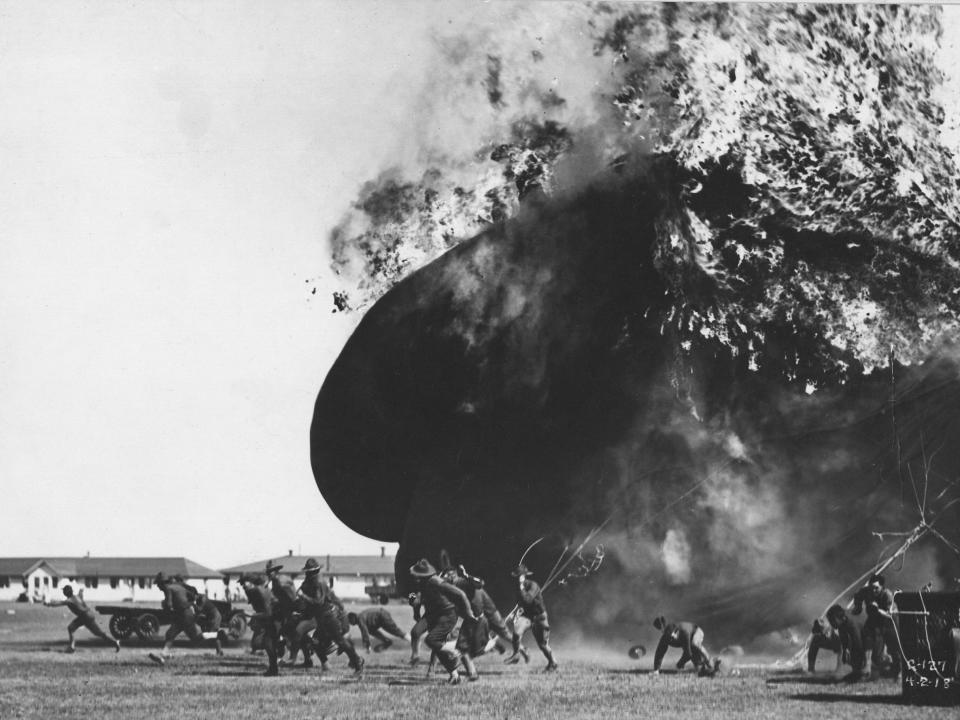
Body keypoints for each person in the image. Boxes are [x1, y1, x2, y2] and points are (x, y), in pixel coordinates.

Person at [409, 558, 478, 684]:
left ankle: (456, 652)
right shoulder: (420, 583)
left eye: (417, 575)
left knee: (432, 641)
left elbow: (461, 594)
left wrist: (469, 612)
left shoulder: (436, 581)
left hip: (447, 614)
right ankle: (415, 657)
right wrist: (415, 609)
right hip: (431, 614)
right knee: (415, 632)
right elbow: (417, 600)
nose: (414, 577)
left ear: (423, 575)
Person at [297, 558, 364, 677]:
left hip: (329, 616)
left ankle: (357, 661)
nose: (308, 574)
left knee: (340, 641)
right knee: (316, 642)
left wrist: (303, 596)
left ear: (315, 571)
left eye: (310, 572)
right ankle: (326, 666)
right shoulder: (309, 582)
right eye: (308, 571)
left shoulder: (319, 582)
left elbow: (318, 601)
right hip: (321, 618)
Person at [149, 573, 216, 665]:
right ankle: (162, 655)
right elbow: (193, 596)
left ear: (163, 583)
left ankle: (216, 635)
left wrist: (165, 605)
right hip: (184, 614)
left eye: (158, 584)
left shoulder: (168, 589)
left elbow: (169, 605)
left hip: (184, 615)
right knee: (170, 634)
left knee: (196, 639)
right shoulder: (177, 587)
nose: (158, 587)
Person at [44, 585, 120, 653]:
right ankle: (115, 642)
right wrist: (81, 590)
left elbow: (59, 603)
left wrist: (48, 604)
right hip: (89, 614)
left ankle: (71, 647)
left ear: (65, 593)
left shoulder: (69, 600)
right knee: (98, 633)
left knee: (71, 628)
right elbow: (80, 594)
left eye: (64, 591)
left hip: (84, 616)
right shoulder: (77, 596)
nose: (63, 592)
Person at [510, 563, 558, 671]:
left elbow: (527, 600)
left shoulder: (533, 585)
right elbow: (521, 604)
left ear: (524, 576)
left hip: (540, 617)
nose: (518, 578)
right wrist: (517, 614)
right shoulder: (518, 588)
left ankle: (553, 662)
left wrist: (521, 587)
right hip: (528, 617)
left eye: (520, 576)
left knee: (542, 645)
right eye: (516, 576)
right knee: (516, 633)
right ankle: (516, 654)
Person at [852, 573, 900, 678]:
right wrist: (858, 607)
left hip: (889, 621)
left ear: (882, 587)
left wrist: (877, 609)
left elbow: (890, 615)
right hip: (874, 620)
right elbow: (858, 596)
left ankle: (897, 669)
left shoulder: (887, 595)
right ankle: (867, 666)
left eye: (876, 588)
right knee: (867, 636)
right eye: (871, 588)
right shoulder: (866, 591)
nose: (873, 591)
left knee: (893, 646)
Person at [240, 572, 281, 676]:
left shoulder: (260, 592)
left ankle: (274, 669)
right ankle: (274, 668)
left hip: (277, 618)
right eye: (242, 584)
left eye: (245, 583)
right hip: (271, 619)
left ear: (252, 583)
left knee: (268, 643)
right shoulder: (253, 591)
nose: (243, 586)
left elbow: (268, 613)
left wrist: (251, 615)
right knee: (265, 643)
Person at [651, 615, 719, 676]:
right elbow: (659, 653)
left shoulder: (684, 633)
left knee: (694, 644)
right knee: (698, 666)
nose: (673, 638)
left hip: (696, 631)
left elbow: (688, 654)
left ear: (677, 631)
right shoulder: (665, 638)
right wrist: (656, 670)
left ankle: (710, 662)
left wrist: (679, 664)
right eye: (670, 638)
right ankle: (704, 665)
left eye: (674, 635)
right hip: (688, 640)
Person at [826, 604, 866, 682]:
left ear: (842, 618)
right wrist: (845, 650)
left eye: (832, 620)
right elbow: (843, 636)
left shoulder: (851, 623)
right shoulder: (842, 620)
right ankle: (857, 671)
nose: (831, 623)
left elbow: (858, 644)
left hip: (873, 633)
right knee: (850, 653)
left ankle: (861, 672)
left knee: (857, 651)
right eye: (830, 621)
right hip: (863, 633)